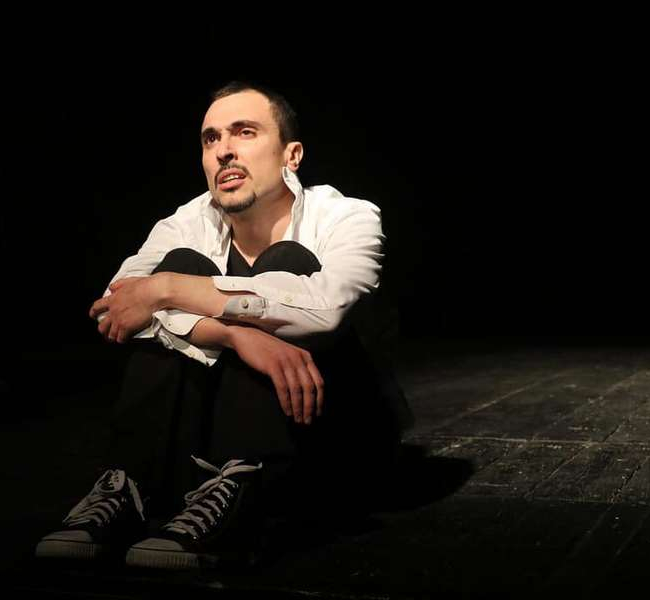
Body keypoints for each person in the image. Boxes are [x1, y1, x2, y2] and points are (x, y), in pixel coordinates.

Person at [36, 81, 404, 570]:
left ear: (291, 155)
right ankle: (133, 487)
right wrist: (234, 334)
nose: (224, 150)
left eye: (244, 132)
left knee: (284, 261)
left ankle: (247, 492)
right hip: (211, 432)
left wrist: (169, 290)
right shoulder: (187, 222)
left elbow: (324, 308)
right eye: (211, 138)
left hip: (332, 428)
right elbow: (117, 307)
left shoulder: (347, 215)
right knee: (184, 262)